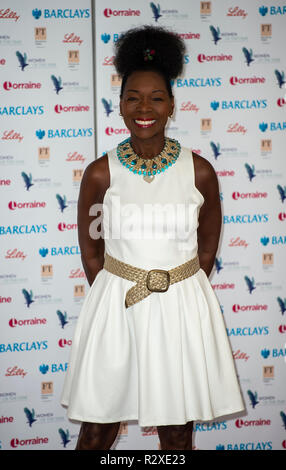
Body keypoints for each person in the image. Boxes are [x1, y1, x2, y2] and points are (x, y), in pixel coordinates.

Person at [61, 25, 245, 451]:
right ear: (120, 104)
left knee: (177, 432)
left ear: (172, 105)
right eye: (133, 97)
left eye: (156, 98)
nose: (144, 107)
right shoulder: (100, 173)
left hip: (178, 309)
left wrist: (175, 294)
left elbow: (206, 248)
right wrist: (117, 296)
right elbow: (92, 250)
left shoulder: (199, 170)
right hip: (117, 309)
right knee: (97, 429)